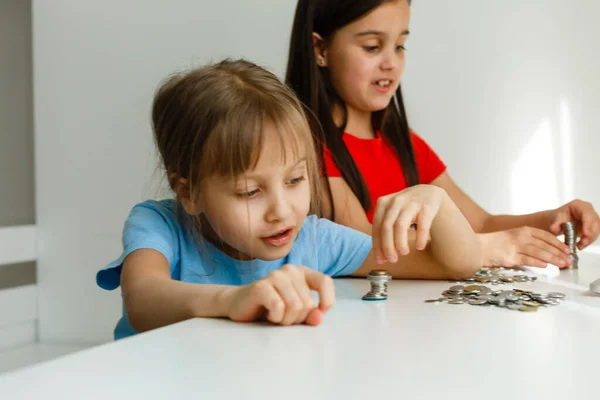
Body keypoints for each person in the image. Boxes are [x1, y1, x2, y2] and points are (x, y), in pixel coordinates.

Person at [96, 59, 481, 339]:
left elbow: (456, 266)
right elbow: (142, 299)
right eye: (250, 191)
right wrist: (233, 301)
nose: (283, 211)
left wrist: (438, 201)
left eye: (295, 179)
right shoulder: (159, 224)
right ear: (188, 192)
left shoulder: (315, 240)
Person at [285, 0, 600, 270]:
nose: (391, 63)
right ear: (320, 49)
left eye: (400, 45)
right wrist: (484, 250)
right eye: (372, 47)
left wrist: (554, 220)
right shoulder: (307, 147)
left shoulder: (406, 144)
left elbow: (481, 224)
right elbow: (363, 247)